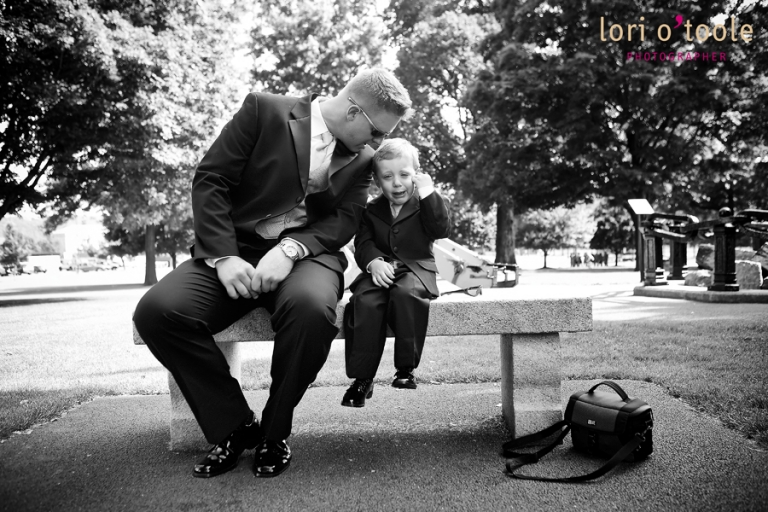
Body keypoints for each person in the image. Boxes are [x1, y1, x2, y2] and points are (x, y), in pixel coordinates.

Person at [133, 68, 412, 479]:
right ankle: (234, 426)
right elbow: (212, 180)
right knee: (157, 312)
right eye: (376, 132)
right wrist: (224, 256)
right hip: (235, 251)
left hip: (309, 257)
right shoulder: (264, 110)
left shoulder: (363, 160)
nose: (378, 145)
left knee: (311, 310)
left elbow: (345, 218)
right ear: (354, 112)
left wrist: (291, 248)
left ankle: (274, 432)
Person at [341, 138, 451, 408]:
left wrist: (428, 192)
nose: (397, 183)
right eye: (387, 177)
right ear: (377, 181)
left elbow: (440, 230)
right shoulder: (370, 210)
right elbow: (363, 243)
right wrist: (373, 262)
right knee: (365, 302)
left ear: (417, 175)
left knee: (406, 294)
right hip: (379, 271)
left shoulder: (428, 202)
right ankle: (362, 379)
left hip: (415, 269)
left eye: (404, 175)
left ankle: (405, 369)